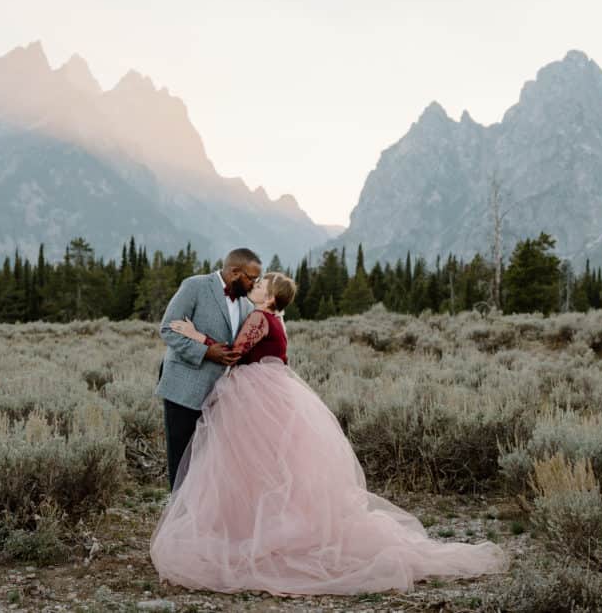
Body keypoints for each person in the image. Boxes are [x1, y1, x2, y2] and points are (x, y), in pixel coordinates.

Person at [150, 271, 508, 596]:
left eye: (261, 285)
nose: (254, 287)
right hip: (269, 392)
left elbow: (233, 354)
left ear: (271, 297)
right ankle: (258, 525)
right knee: (266, 467)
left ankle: (248, 532)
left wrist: (196, 334)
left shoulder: (259, 316)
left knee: (248, 463)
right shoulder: (274, 319)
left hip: (252, 395)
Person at [156, 248, 263, 490]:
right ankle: (178, 517)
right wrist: (207, 352)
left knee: (207, 462)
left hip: (219, 396)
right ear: (234, 272)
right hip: (184, 388)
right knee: (181, 459)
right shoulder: (195, 286)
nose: (254, 284)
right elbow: (168, 329)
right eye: (251, 278)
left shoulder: (246, 307)